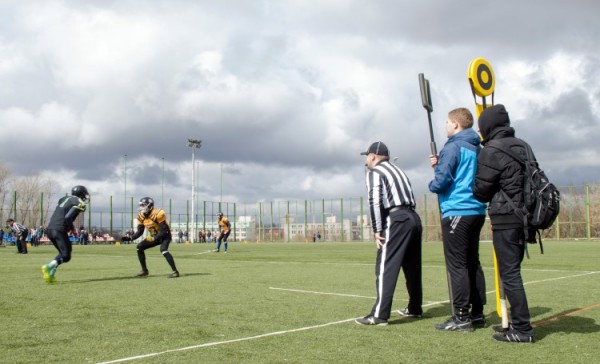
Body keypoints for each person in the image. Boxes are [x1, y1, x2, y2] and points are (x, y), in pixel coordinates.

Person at [472, 104, 535, 343]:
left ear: (488, 126)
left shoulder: (492, 150)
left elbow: (480, 191)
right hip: (524, 218)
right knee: (512, 272)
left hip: (506, 218)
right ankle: (515, 325)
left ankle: (522, 330)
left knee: (510, 274)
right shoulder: (524, 146)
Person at [428, 108, 487, 332]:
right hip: (476, 211)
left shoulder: (453, 146)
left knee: (458, 265)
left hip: (457, 209)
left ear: (455, 124)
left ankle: (461, 316)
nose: (445, 126)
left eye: (446, 122)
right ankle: (477, 314)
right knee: (473, 263)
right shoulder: (476, 147)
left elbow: (441, 182)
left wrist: (433, 180)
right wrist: (440, 164)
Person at [355, 141, 423, 326]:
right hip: (413, 217)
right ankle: (415, 307)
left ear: (373, 156)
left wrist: (377, 229)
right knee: (412, 267)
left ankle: (379, 315)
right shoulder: (398, 170)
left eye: (367, 157)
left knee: (384, 266)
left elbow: (375, 201)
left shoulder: (375, 172)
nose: (367, 161)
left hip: (397, 218)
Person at [121, 197, 180, 278]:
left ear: (150, 206)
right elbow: (140, 232)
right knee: (139, 247)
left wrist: (154, 238)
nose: (141, 207)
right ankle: (144, 270)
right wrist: (131, 238)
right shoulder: (141, 216)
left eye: (143, 205)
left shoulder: (158, 213)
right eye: (141, 205)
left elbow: (164, 230)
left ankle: (175, 271)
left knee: (163, 250)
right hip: (155, 236)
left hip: (165, 235)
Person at [41, 185, 89, 283]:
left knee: (62, 253)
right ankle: (49, 266)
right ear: (81, 194)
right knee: (66, 256)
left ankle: (50, 275)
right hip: (59, 229)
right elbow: (68, 217)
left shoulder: (64, 198)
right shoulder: (79, 202)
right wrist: (73, 229)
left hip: (50, 229)